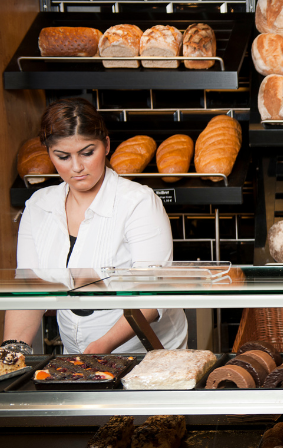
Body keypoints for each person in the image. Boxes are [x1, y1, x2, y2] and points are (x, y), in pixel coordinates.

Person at [2, 98, 187, 355]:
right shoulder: (38, 206)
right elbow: (30, 290)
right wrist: (12, 351)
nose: (77, 167)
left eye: (87, 153)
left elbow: (152, 297)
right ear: (49, 154)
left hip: (145, 353)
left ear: (107, 145)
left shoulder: (139, 203)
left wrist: (99, 348)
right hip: (77, 352)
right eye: (63, 156)